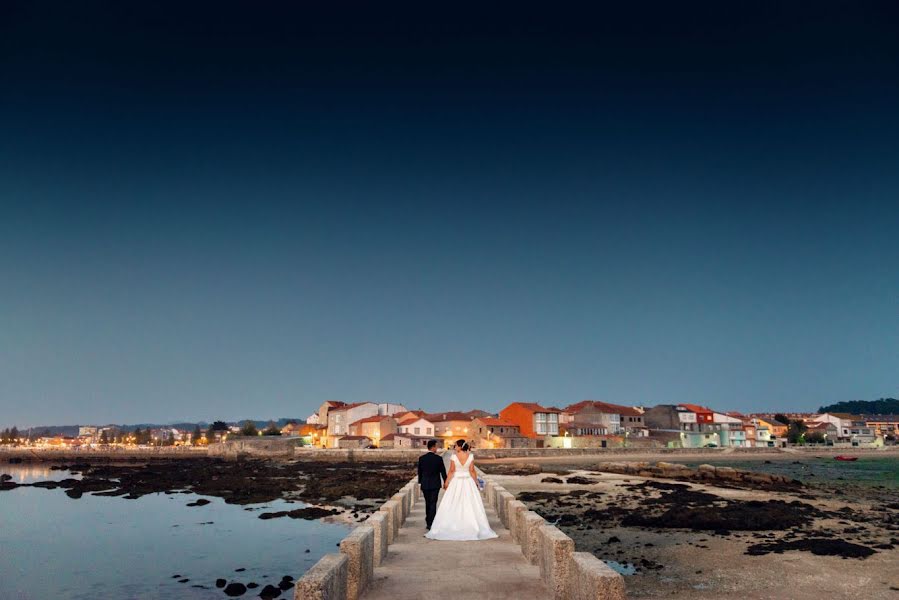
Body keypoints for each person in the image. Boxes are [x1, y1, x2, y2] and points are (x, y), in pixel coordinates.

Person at [425, 441, 497, 541]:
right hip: (468, 482)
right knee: (470, 503)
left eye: (456, 445)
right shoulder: (470, 456)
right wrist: (476, 482)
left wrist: (446, 482)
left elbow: (451, 471)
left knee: (453, 503)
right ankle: (471, 525)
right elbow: (472, 470)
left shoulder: (454, 457)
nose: (454, 447)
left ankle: (453, 524)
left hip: (456, 481)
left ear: (460, 446)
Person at [417, 439, 447, 530]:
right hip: (435, 484)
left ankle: (428, 521)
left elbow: (419, 472)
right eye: (436, 446)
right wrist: (445, 482)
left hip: (425, 484)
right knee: (433, 503)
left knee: (427, 503)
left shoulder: (422, 458)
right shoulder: (438, 459)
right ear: (433, 447)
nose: (437, 448)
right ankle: (431, 523)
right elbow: (443, 472)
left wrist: (420, 482)